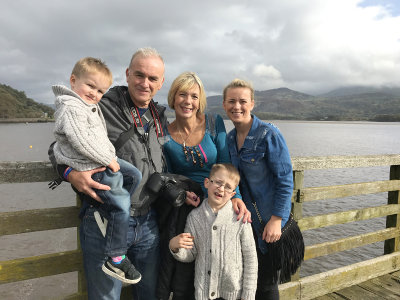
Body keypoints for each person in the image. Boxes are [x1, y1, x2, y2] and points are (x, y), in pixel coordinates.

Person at [49, 47, 167, 300]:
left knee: (149, 294)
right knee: (106, 297)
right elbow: (57, 146)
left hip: (148, 222)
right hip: (105, 219)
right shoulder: (99, 104)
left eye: (152, 78)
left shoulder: (160, 115)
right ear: (127, 74)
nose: (145, 83)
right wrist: (69, 172)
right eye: (139, 75)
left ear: (161, 83)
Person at [159, 71, 250, 300]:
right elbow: (169, 176)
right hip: (188, 207)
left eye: (194, 96)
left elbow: (226, 165)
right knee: (186, 270)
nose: (188, 101)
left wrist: (236, 195)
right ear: (173, 97)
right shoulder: (164, 135)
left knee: (223, 259)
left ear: (200, 101)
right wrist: (182, 193)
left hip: (219, 199)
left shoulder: (213, 122)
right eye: (182, 95)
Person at [52, 57, 143, 285]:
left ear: (161, 82)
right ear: (73, 81)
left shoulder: (92, 107)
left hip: (109, 163)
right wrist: (69, 173)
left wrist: (110, 157)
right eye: (90, 86)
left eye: (100, 90)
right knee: (121, 203)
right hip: (95, 165)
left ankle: (115, 214)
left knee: (134, 176)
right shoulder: (73, 107)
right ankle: (115, 257)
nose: (94, 93)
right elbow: (72, 142)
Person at [222, 79, 295, 300]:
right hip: (246, 222)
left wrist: (276, 219)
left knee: (266, 282)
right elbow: (233, 177)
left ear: (252, 103)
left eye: (242, 101)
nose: (237, 106)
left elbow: (284, 179)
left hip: (268, 222)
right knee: (248, 280)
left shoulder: (268, 134)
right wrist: (235, 197)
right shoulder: (230, 138)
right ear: (224, 105)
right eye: (231, 101)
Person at [169, 163, 258, 300]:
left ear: (233, 193)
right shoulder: (194, 217)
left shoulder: (240, 218)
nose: (221, 189)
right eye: (218, 182)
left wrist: (248, 295)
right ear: (207, 183)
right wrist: (174, 246)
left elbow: (251, 258)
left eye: (228, 187)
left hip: (234, 293)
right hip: (203, 292)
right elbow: (190, 254)